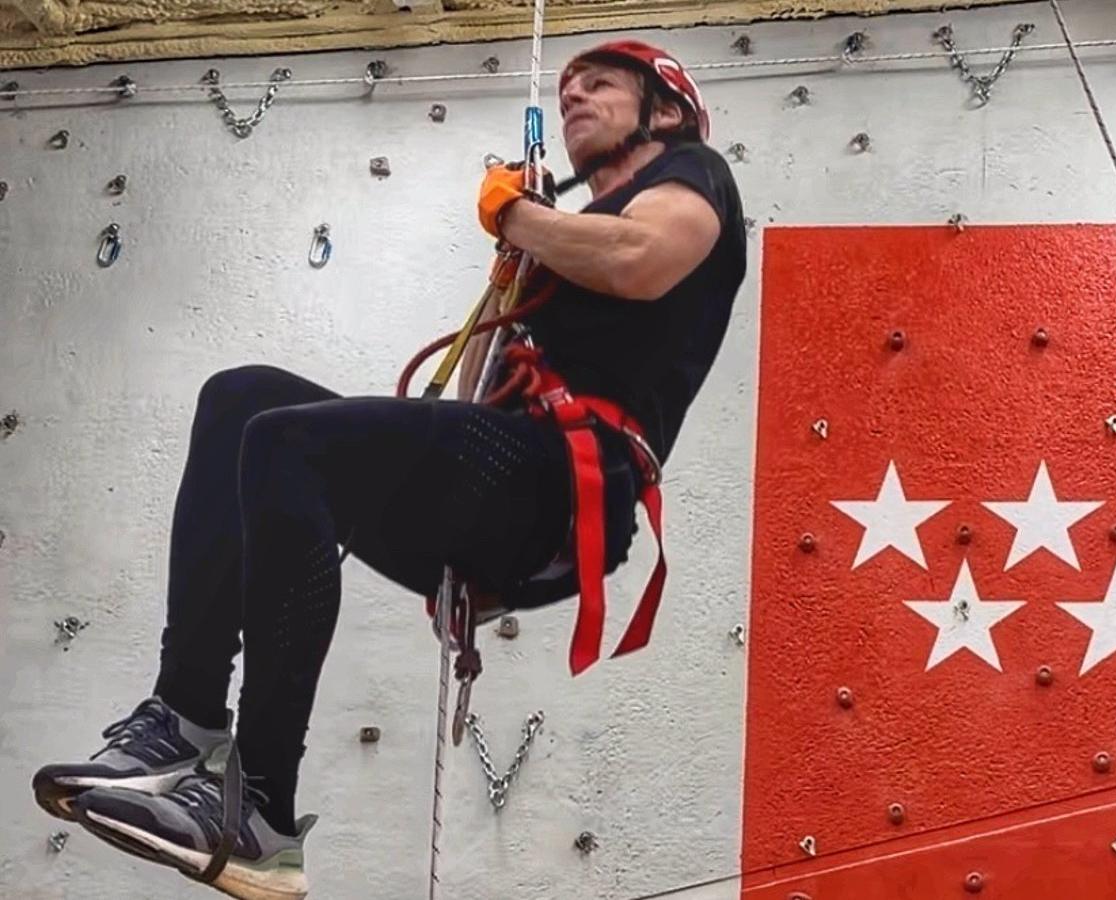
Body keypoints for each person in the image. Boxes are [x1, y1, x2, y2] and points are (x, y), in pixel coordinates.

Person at [29, 39, 746, 900]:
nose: (573, 97)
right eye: (565, 89)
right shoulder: (573, 230)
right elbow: (495, 387)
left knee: (289, 444)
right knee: (241, 404)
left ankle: (260, 807)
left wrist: (516, 218)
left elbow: (640, 261)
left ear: (664, 109)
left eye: (599, 85)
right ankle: (183, 716)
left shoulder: (692, 178)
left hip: (560, 486)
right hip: (504, 482)